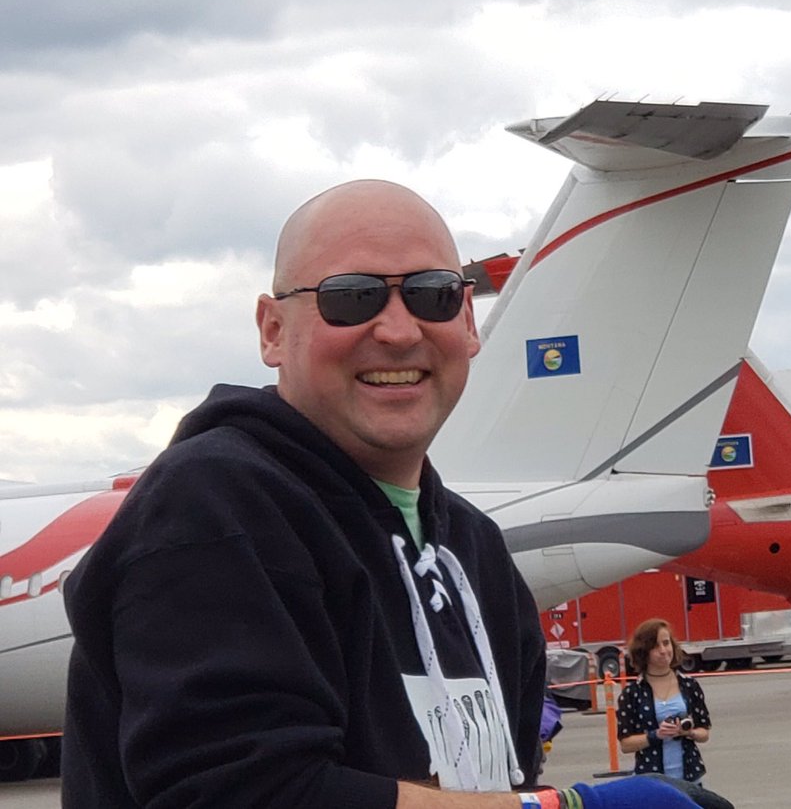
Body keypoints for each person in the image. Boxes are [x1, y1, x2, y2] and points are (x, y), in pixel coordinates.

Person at [62, 180, 701, 809]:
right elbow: (242, 790)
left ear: (469, 322)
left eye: (433, 295)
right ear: (272, 330)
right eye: (352, 297)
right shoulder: (213, 503)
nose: (399, 330)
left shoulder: (476, 552)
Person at [617, 619, 712, 783]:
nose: (663, 650)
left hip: (690, 776)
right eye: (655, 646)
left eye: (666, 643)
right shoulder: (632, 693)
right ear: (643, 651)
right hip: (651, 779)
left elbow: (704, 732)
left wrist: (689, 732)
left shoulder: (689, 685)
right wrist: (656, 735)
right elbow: (626, 744)